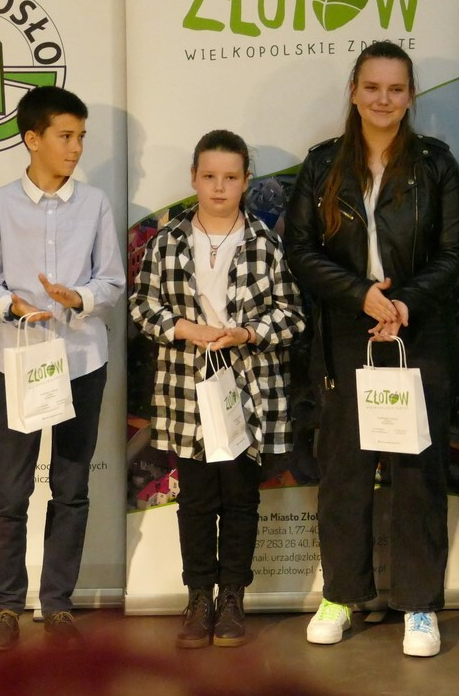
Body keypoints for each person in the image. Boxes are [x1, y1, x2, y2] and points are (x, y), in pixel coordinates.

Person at [283, 41, 459, 657]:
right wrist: (361, 295)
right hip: (347, 332)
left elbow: (455, 253)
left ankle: (419, 604)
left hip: (419, 332)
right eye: (372, 87)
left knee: (418, 472)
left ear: (411, 96)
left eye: (395, 88)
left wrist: (404, 304)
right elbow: (300, 251)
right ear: (354, 91)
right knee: (345, 471)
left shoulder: (436, 164)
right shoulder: (322, 164)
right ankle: (341, 594)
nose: (383, 99)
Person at [130, 130, 305, 649]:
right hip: (186, 387)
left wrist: (248, 334)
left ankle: (232, 597)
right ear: (194, 178)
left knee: (241, 498)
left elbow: (292, 315)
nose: (219, 187)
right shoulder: (169, 240)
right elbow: (142, 306)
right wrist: (184, 329)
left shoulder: (265, 243)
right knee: (196, 499)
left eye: (230, 177)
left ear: (246, 181)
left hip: (247, 388)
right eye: (209, 176)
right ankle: (198, 597)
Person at [0, 85, 125, 650]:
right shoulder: (0, 204)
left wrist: (78, 297)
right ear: (32, 139)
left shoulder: (95, 203)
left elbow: (112, 281)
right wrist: (11, 305)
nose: (76, 147)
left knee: (71, 486)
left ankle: (58, 605)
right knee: (10, 489)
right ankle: (6, 607)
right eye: (65, 136)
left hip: (82, 359)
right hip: (21, 360)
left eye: (81, 137)